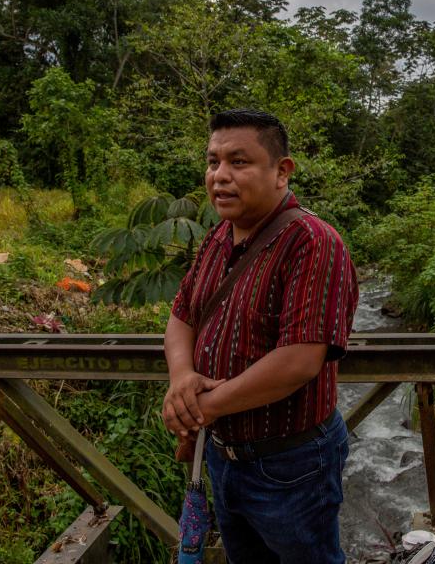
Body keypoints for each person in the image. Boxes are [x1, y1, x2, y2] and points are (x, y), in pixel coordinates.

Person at [162, 108, 359, 564]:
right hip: (223, 457)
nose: (220, 176)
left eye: (239, 162)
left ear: (282, 171)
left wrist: (201, 408)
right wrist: (182, 378)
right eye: (213, 162)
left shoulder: (313, 243)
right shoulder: (217, 238)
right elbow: (181, 316)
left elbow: (298, 361)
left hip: (289, 464)